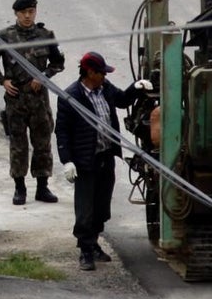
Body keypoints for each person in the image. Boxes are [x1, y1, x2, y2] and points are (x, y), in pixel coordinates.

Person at [55, 51, 150, 271]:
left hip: (106, 157)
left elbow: (122, 100)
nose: (104, 77)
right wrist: (67, 160)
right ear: (89, 72)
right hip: (86, 161)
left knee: (101, 206)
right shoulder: (71, 97)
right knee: (85, 208)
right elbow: (62, 131)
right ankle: (85, 251)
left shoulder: (105, 89)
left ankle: (94, 242)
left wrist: (136, 88)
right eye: (101, 73)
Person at [0, 0, 65, 205]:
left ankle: (42, 187)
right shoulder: (4, 37)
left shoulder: (45, 35)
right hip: (16, 100)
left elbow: (58, 62)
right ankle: (20, 188)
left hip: (39, 100)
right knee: (18, 145)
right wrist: (3, 80)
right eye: (23, 13)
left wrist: (44, 76)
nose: (28, 16)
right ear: (16, 14)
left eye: (31, 12)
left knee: (43, 144)